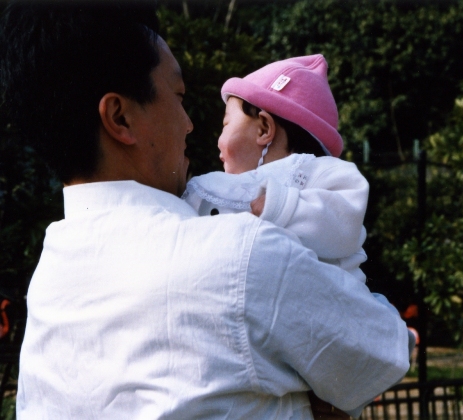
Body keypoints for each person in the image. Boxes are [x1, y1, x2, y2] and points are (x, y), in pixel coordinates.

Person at [0, 2, 412, 419]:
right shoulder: (242, 256)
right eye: (178, 97)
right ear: (120, 118)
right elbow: (385, 350)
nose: (190, 124)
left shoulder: (48, 282)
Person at [183, 54, 369, 283]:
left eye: (226, 124)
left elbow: (346, 218)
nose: (218, 141)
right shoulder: (225, 188)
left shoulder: (316, 170)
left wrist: (284, 206)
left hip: (337, 295)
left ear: (263, 129)